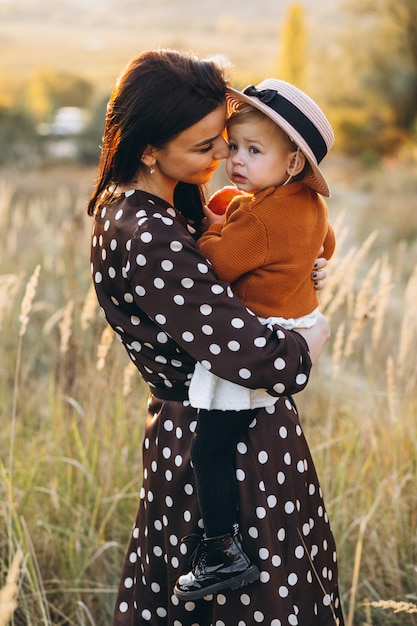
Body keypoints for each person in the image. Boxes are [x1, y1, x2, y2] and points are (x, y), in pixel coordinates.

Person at [87, 49, 345, 626]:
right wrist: (310, 341)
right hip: (225, 448)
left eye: (224, 140)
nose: (225, 154)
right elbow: (259, 360)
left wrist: (297, 272)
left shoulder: (144, 206)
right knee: (251, 605)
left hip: (221, 429)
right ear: (149, 148)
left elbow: (246, 267)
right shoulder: (147, 235)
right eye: (207, 147)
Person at [183, 80, 336, 600]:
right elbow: (325, 243)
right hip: (291, 330)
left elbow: (217, 263)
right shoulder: (304, 205)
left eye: (254, 151)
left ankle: (223, 551)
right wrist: (307, 259)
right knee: (239, 443)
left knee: (211, 449)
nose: (236, 160)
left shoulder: (264, 222)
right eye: (234, 146)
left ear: (293, 164)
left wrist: (206, 231)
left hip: (258, 343)